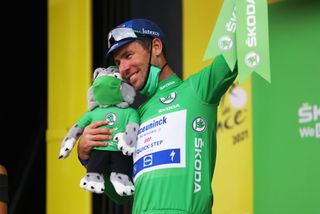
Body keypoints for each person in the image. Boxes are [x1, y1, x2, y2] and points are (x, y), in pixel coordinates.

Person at [77, 18, 238, 214]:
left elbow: (236, 49)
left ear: (156, 46)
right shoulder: (134, 118)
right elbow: (120, 195)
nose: (122, 69)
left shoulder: (197, 90)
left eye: (128, 55)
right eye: (118, 62)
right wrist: (87, 156)